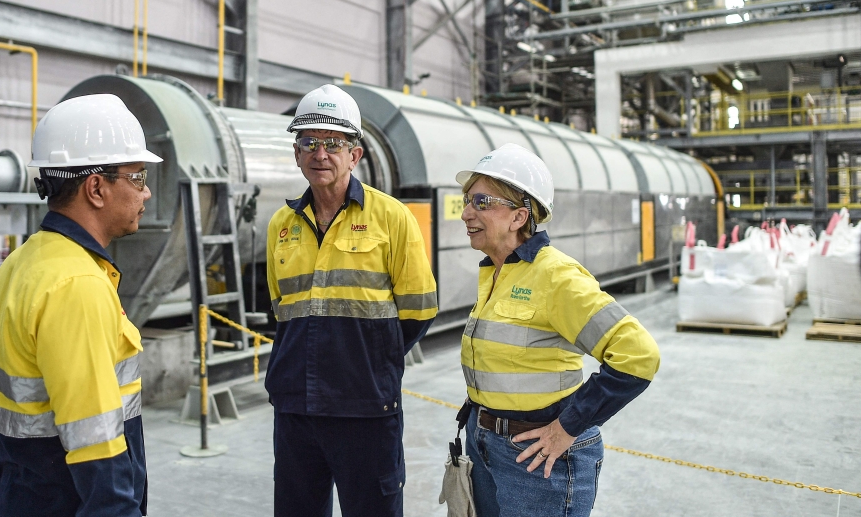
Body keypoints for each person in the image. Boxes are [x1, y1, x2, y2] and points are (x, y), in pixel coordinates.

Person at [0, 94, 162, 517]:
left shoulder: (23, 262)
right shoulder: (76, 284)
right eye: (137, 177)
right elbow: (95, 444)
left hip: (21, 495)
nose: (147, 191)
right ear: (96, 188)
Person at [456, 143, 660, 517]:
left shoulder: (556, 275)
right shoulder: (496, 271)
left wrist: (567, 427)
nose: (466, 212)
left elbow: (638, 355)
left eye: (481, 202)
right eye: (467, 200)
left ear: (519, 217)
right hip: (485, 443)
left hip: (535, 458)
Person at [265, 84, 439, 517]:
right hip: (295, 407)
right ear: (296, 152)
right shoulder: (280, 226)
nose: (319, 154)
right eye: (308, 142)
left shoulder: (390, 217)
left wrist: (370, 362)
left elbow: (419, 309)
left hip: (365, 408)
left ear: (354, 155)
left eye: (332, 144)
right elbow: (281, 310)